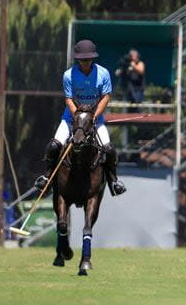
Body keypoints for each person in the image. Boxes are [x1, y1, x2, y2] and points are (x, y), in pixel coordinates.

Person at [33, 39, 126, 196]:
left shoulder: (103, 73)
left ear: (93, 59)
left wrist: (94, 117)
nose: (85, 62)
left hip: (95, 121)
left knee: (109, 149)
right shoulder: (68, 75)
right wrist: (78, 118)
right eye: (82, 60)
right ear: (77, 59)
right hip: (71, 119)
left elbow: (105, 97)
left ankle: (113, 181)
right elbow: (68, 98)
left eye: (88, 59)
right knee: (54, 146)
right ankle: (47, 177)